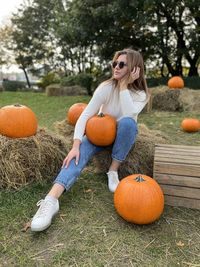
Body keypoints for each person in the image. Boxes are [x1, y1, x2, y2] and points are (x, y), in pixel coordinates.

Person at [31, 48, 150, 232]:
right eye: (114, 63)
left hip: (122, 136)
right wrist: (76, 145)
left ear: (134, 68)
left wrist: (124, 86)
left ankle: (112, 170)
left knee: (128, 123)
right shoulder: (106, 88)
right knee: (75, 157)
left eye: (121, 64)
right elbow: (85, 116)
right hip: (99, 134)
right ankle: (50, 201)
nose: (116, 67)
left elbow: (129, 114)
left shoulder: (141, 94)